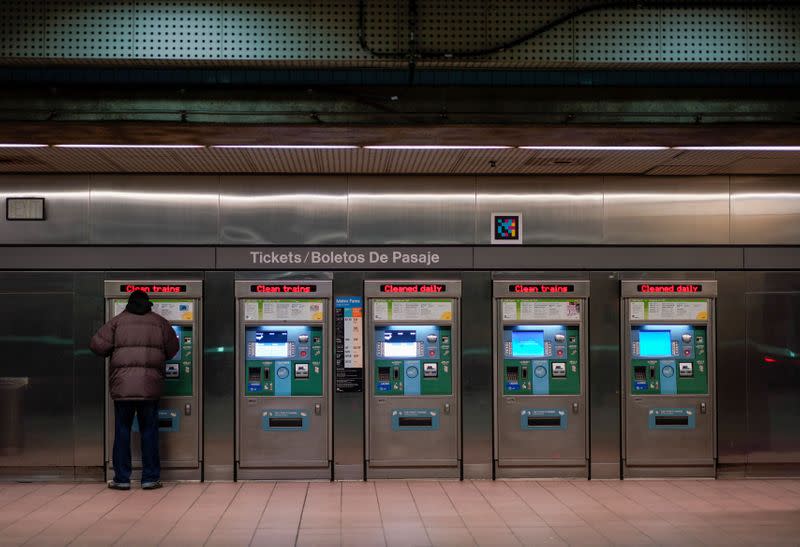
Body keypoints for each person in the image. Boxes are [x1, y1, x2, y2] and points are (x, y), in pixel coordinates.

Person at [90, 289, 179, 491]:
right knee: (150, 431)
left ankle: (122, 478)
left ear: (128, 304)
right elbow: (173, 349)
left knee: (122, 431)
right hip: (149, 387)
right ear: (148, 304)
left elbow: (96, 346)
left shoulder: (117, 322)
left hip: (123, 388)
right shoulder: (160, 322)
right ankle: (150, 478)